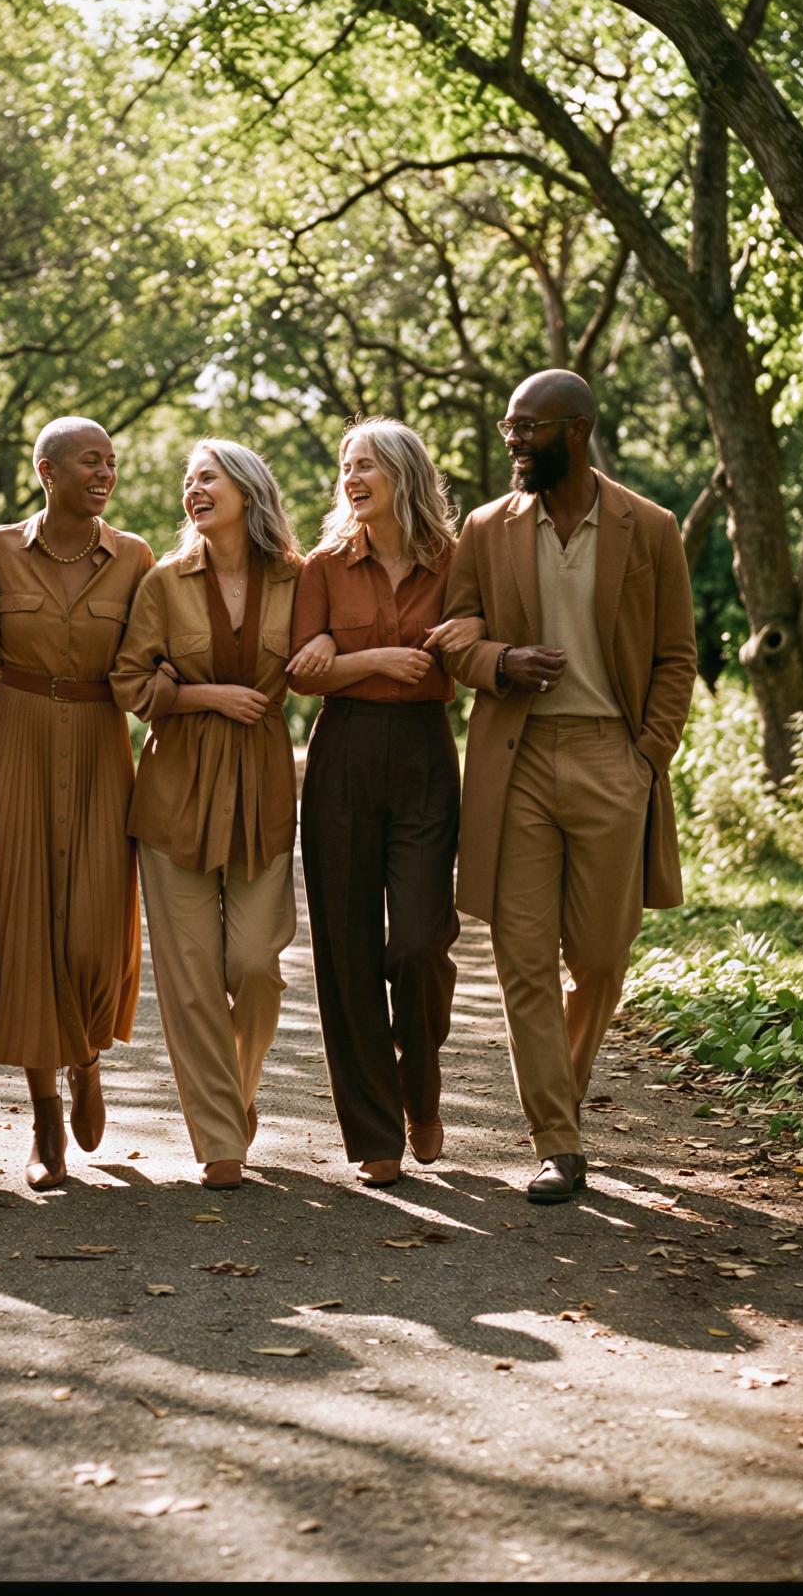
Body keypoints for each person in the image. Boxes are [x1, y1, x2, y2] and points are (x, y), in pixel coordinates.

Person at [423, 370, 695, 1204]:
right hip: (520, 762)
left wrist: (647, 754)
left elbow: (677, 657)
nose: (512, 440)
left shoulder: (649, 528)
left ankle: (561, 1098)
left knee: (603, 958)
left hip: (614, 758)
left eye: (527, 428)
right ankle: (558, 1141)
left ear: (574, 432)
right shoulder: (485, 528)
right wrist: (499, 662)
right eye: (509, 426)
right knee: (523, 957)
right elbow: (452, 633)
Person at [110, 440, 301, 1191]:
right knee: (191, 978)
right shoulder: (164, 580)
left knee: (254, 963)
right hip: (175, 790)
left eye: (208, 477)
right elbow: (131, 681)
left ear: (248, 490)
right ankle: (220, 1138)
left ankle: (237, 1097)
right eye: (188, 480)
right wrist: (200, 695)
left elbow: (320, 653)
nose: (194, 488)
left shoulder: (295, 578)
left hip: (262, 787)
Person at [0, 417, 155, 1189]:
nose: (105, 472)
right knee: (20, 925)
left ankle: (85, 1060)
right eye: (90, 460)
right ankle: (44, 1111)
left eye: (111, 461)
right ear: (48, 471)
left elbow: (148, 658)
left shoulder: (137, 558)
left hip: (100, 745)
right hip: (13, 738)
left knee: (92, 929)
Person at [286, 419, 462, 1187]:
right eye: (346, 467)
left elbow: (479, 637)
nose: (353, 477)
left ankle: (420, 1088)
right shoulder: (323, 567)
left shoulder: (454, 563)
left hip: (425, 753)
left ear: (404, 474)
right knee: (347, 950)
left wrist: (475, 629)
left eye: (368, 466)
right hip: (344, 756)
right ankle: (374, 1131)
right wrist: (369, 659)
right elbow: (301, 671)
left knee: (418, 943)